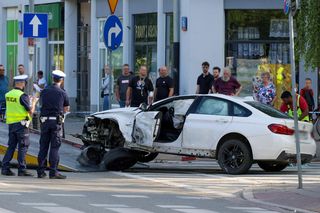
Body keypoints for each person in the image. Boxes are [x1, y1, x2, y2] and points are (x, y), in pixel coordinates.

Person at [1, 75, 38, 176]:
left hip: (11, 124)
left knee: (11, 146)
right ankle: (22, 169)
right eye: (25, 83)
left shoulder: (8, 94)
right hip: (21, 125)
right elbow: (30, 111)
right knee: (23, 146)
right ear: (22, 84)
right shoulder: (22, 95)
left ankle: (5, 168)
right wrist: (33, 102)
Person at [37, 70, 70, 179]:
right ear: (61, 80)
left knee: (43, 146)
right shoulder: (62, 92)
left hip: (44, 122)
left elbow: (41, 102)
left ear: (53, 78)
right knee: (54, 147)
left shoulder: (45, 90)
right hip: (56, 123)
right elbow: (66, 108)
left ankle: (41, 171)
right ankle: (53, 172)